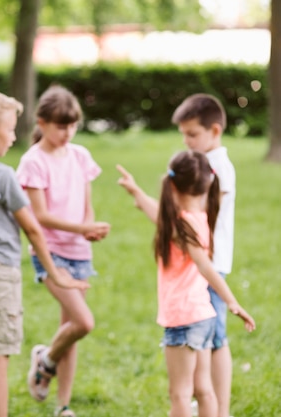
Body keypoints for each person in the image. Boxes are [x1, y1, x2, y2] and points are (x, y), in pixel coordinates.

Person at [0, 87, 89, 417]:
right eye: (11, 129)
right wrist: (56, 274)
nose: (14, 137)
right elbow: (33, 228)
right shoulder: (3, 175)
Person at [117, 93, 237, 417]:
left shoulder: (215, 169)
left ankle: (221, 410)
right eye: (183, 134)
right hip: (203, 275)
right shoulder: (204, 173)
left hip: (205, 277)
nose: (187, 141)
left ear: (215, 130)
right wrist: (138, 194)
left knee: (214, 347)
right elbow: (173, 222)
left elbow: (182, 230)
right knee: (208, 355)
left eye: (192, 134)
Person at [16, 85, 111, 417]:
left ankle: (63, 406)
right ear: (41, 122)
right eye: (60, 126)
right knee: (83, 323)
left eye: (72, 126)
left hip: (79, 252)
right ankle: (44, 358)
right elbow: (39, 215)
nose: (67, 132)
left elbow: (86, 205)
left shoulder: (80, 155)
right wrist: (82, 229)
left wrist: (89, 229)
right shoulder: (33, 161)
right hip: (50, 253)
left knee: (70, 329)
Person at [151, 150, 255, 417]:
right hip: (204, 315)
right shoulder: (202, 219)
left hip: (182, 318)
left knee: (180, 394)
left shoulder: (180, 225)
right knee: (204, 390)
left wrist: (232, 302)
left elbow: (205, 266)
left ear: (172, 184)